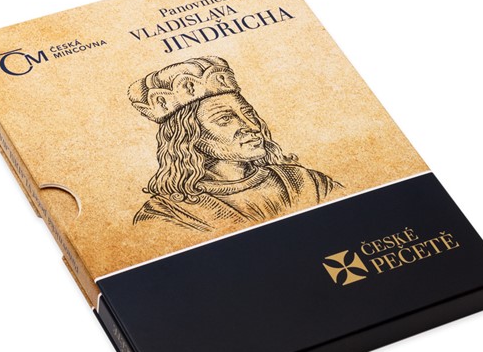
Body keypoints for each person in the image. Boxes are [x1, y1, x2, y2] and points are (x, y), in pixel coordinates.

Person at [128, 56, 341, 233]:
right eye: (225, 119)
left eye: (249, 114)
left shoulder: (307, 182)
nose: (252, 126)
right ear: (188, 136)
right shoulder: (165, 214)